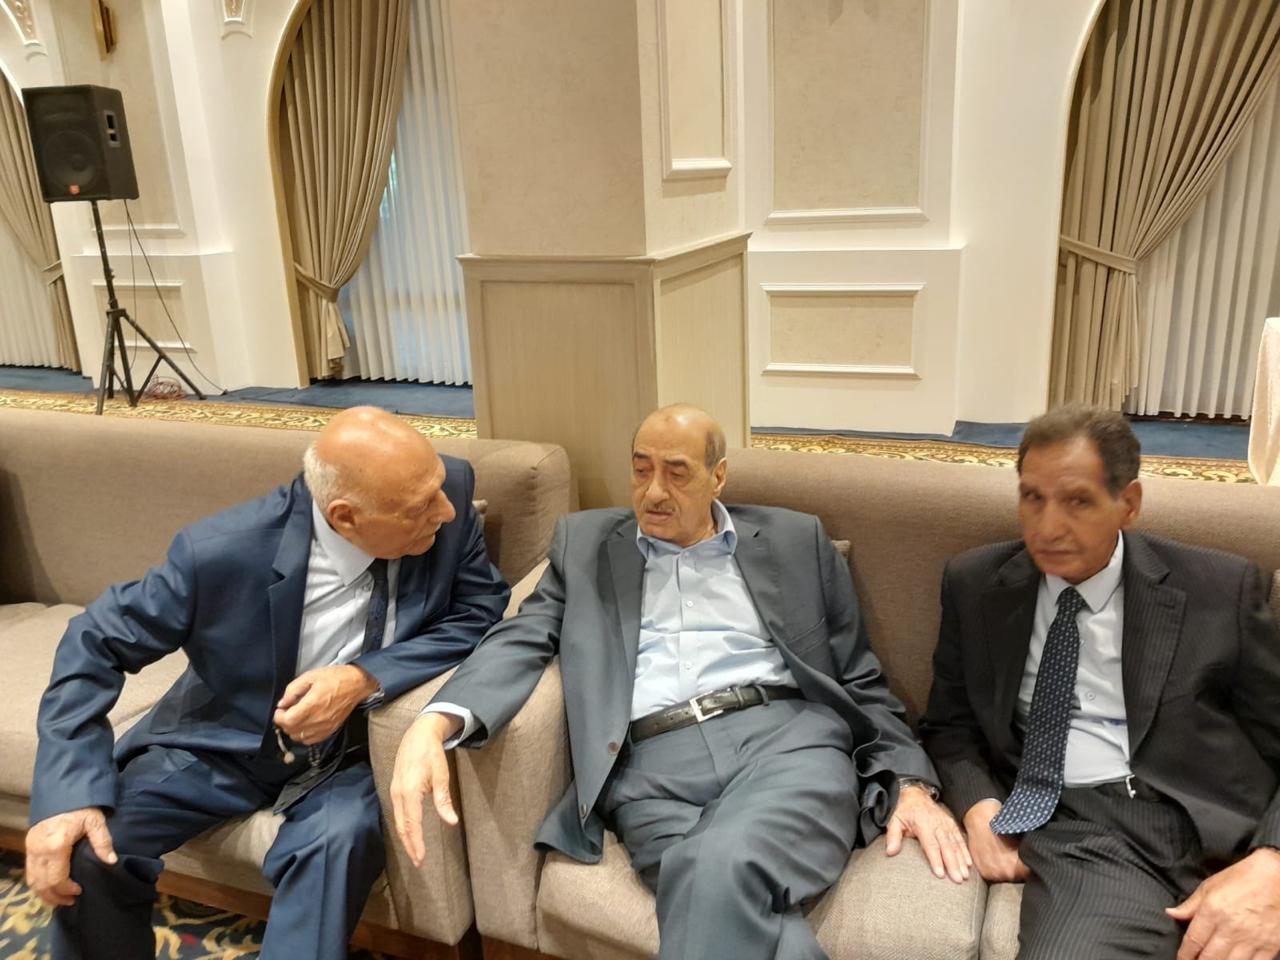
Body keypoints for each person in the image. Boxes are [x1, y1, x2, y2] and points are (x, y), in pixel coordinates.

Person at [392, 403, 968, 960]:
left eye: (676, 472)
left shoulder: (796, 540)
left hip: (784, 742)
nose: (653, 492)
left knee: (708, 865)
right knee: (721, 889)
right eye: (641, 469)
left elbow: (858, 675)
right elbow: (520, 637)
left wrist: (909, 780)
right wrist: (434, 721)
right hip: (648, 771)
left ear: (718, 477)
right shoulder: (585, 544)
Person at [26, 406, 510, 960]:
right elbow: (94, 641)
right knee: (92, 854)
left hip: (348, 756)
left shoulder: (448, 491)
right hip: (223, 739)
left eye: (440, 492)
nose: (447, 511)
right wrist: (67, 796)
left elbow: (478, 611)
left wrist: (363, 679)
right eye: (422, 506)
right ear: (345, 517)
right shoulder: (221, 553)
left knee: (339, 841)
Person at [920, 404, 1280, 960]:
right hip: (1092, 835)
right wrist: (978, 804)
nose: (1047, 527)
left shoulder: (1219, 588)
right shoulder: (976, 584)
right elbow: (950, 724)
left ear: (1128, 504)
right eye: (1032, 497)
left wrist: (1272, 860)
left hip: (1227, 816)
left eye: (1078, 501)